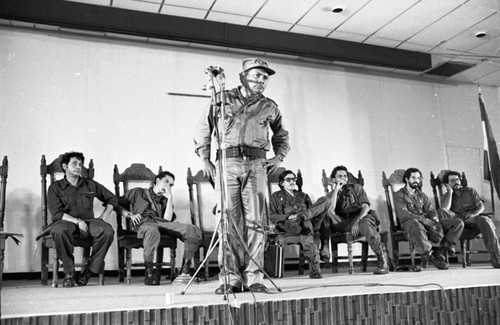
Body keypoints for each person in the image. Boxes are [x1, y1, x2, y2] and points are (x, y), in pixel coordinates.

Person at [194, 58, 290, 294]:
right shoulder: (221, 99)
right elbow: (204, 128)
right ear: (243, 76)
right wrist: (205, 158)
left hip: (256, 166)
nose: (261, 80)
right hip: (227, 163)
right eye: (257, 75)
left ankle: (254, 277)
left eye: (265, 77)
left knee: (256, 222)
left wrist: (278, 158)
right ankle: (230, 278)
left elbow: (281, 136)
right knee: (229, 221)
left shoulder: (270, 106)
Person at [296, 165, 389, 275]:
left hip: (361, 218)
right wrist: (336, 190)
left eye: (345, 176)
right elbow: (331, 210)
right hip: (344, 222)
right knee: (326, 214)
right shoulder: (332, 194)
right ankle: (325, 244)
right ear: (334, 179)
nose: (343, 178)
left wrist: (357, 221)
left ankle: (381, 259)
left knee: (367, 224)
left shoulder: (357, 188)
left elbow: (366, 207)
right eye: (340, 176)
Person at [116, 171, 203, 285]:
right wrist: (130, 215)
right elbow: (115, 203)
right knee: (152, 230)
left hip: (162, 224)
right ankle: (149, 273)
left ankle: (185, 270)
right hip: (144, 224)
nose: (168, 186)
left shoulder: (165, 199)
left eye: (171, 185)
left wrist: (170, 197)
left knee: (193, 229)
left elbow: (167, 220)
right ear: (157, 181)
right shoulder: (138, 192)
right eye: (166, 182)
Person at [46, 151, 116, 287]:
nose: (79, 167)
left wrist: (103, 216)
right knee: (59, 230)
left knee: (107, 231)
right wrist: (78, 221)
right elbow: (56, 214)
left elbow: (112, 198)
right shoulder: (55, 187)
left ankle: (89, 271)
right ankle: (69, 273)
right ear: (65, 166)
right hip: (66, 222)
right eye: (75, 164)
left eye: (80, 164)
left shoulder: (90, 184)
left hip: (89, 223)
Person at [394, 168, 463, 270]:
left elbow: (431, 210)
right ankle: (430, 256)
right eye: (413, 177)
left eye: (418, 178)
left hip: (425, 220)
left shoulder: (421, 195)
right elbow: (403, 213)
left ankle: (442, 249)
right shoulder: (399, 194)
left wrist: (435, 221)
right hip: (409, 222)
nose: (416, 180)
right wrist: (420, 218)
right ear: (407, 179)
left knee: (458, 223)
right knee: (415, 223)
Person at [438, 170, 500, 268]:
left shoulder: (470, 191)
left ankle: (496, 257)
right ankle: (449, 246)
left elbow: (481, 206)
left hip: (472, 218)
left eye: (458, 179)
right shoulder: (445, 196)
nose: (457, 182)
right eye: (452, 181)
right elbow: (445, 210)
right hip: (457, 221)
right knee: (442, 211)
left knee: (485, 220)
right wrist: (450, 192)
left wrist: (474, 213)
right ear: (447, 184)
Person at [269, 170, 323, 279]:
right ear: (281, 183)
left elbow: (311, 212)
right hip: (287, 224)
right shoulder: (275, 196)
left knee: (324, 201)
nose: (292, 182)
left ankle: (300, 218)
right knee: (306, 227)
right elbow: (272, 216)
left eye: (294, 179)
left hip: (304, 222)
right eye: (288, 180)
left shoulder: (304, 196)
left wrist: (301, 217)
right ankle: (314, 268)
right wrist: (287, 217)